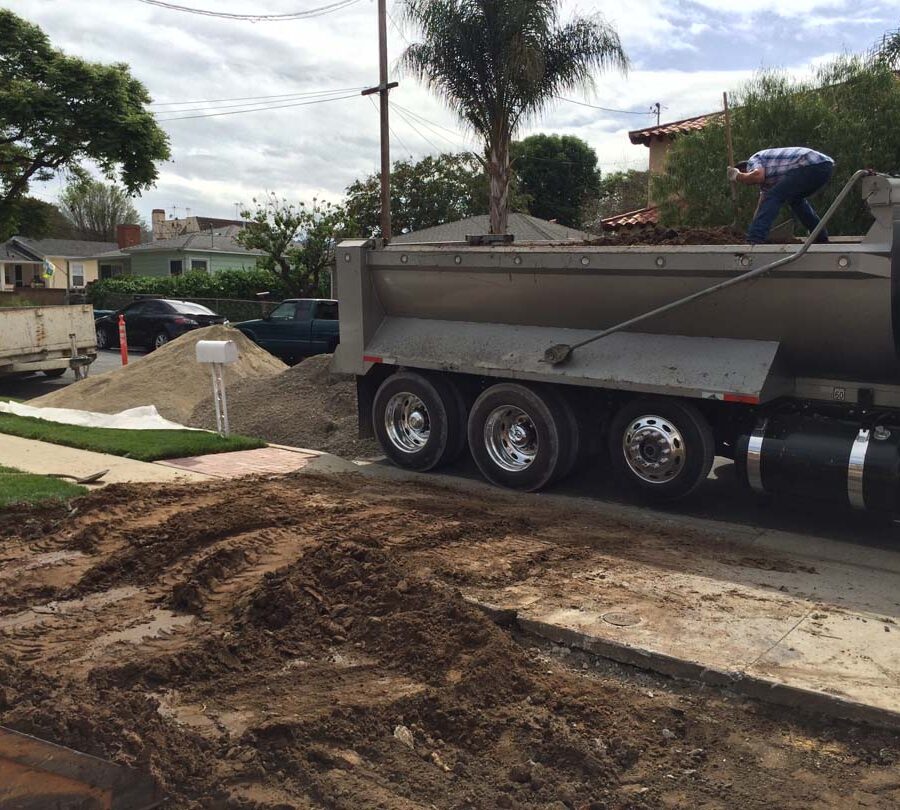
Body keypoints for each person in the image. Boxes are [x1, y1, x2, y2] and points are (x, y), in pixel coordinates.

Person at [727, 147, 834, 244]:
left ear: (745, 170)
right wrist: (753, 225)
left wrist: (738, 176)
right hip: (824, 167)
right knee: (795, 200)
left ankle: (755, 239)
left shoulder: (753, 160)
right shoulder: (768, 181)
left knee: (774, 196)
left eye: (746, 178)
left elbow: (757, 176)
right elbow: (763, 205)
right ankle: (820, 237)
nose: (747, 183)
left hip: (810, 164)